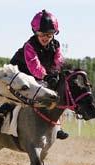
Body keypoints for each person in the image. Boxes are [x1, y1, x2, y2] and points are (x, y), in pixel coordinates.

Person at [10, 9, 68, 139]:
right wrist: (47, 76)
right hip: (20, 74)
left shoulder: (56, 45)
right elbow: (34, 66)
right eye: (41, 34)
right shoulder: (30, 46)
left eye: (49, 34)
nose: (45, 38)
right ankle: (1, 115)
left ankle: (56, 126)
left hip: (38, 76)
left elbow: (58, 61)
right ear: (35, 32)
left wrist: (57, 74)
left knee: (57, 93)